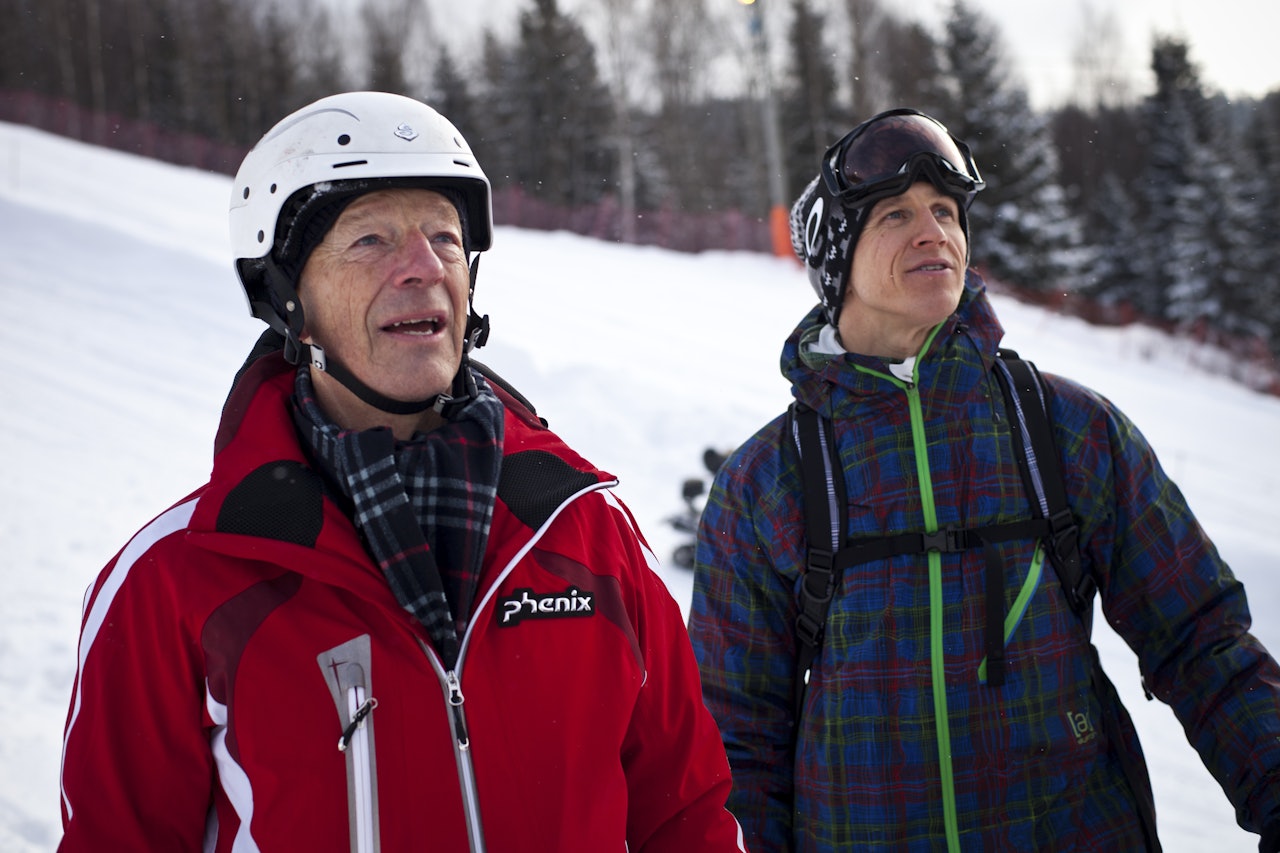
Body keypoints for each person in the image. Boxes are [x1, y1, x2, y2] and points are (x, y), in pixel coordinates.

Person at [58, 91, 745, 852]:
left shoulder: (587, 532)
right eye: (371, 240)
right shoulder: (177, 581)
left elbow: (688, 819)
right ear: (291, 298)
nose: (422, 267)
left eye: (445, 239)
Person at [687, 107, 1280, 852]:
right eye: (896, 214)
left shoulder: (1066, 430)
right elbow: (734, 743)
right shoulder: (767, 482)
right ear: (837, 258)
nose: (932, 229)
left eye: (945, 210)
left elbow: (1204, 643)